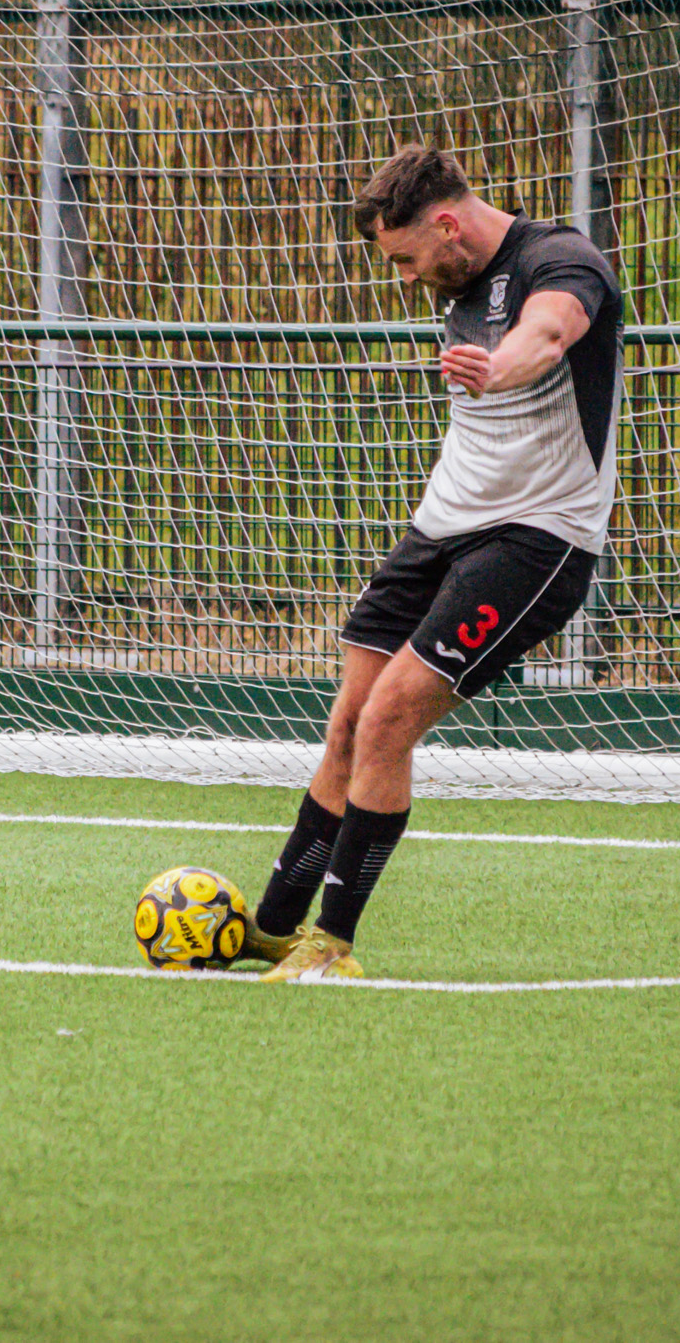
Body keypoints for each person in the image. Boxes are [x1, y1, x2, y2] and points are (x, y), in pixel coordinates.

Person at [253, 143, 623, 981]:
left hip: (538, 537)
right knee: (348, 721)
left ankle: (331, 944)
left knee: (390, 719)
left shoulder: (560, 260)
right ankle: (273, 925)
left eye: (410, 259)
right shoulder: (457, 276)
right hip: (440, 525)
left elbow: (551, 332)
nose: (410, 277)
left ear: (448, 224)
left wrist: (498, 367)